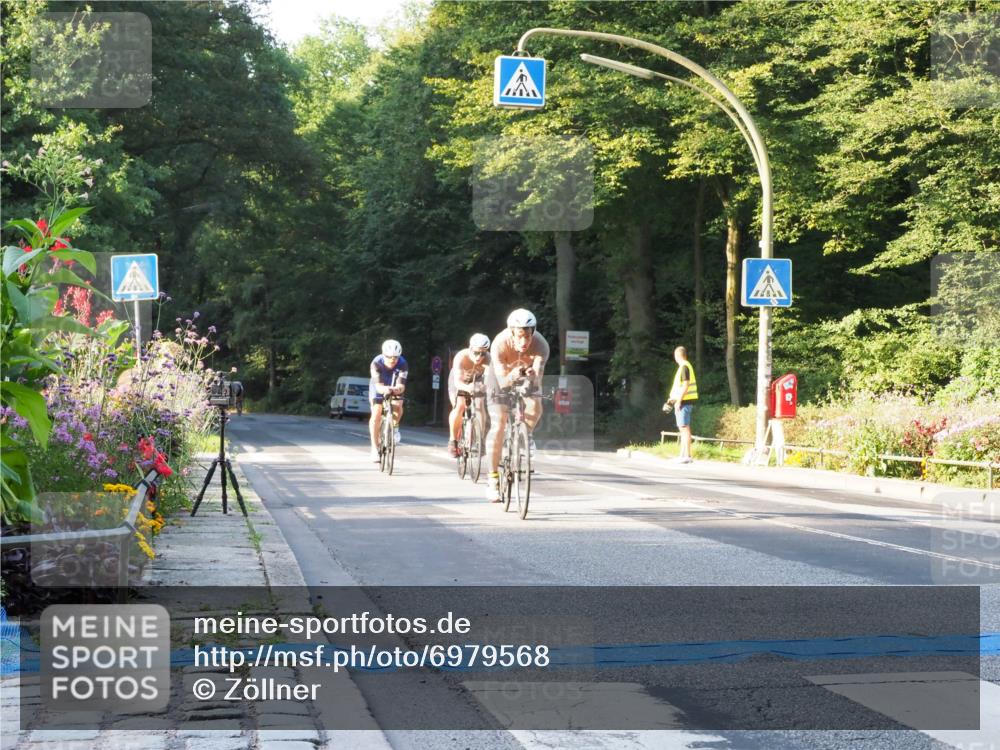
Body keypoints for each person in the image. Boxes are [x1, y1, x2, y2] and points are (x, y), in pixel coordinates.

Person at [484, 309, 550, 502]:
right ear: (512, 332)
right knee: (499, 423)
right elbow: (503, 382)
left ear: (533, 332)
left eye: (528, 336)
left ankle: (526, 435)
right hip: (500, 379)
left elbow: (537, 378)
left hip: (524, 377)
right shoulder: (499, 344)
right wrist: (514, 375)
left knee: (536, 403)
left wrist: (530, 379)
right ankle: (493, 479)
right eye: (520, 336)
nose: (524, 342)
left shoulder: (541, 345)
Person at [447, 333, 491, 458]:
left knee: (480, 403)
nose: (479, 357)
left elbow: (490, 380)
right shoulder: (461, 357)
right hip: (459, 381)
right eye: (476, 352)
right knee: (460, 406)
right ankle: (453, 440)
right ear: (470, 348)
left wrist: (487, 388)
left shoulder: (489, 359)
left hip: (476, 380)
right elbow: (457, 382)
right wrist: (467, 388)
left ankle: (480, 440)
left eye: (483, 353)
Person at [369, 339, 408, 462]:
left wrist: (397, 389)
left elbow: (401, 386)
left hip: (393, 382)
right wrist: (385, 389)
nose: (393, 360)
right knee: (376, 413)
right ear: (383, 355)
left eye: (396, 358)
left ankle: (395, 428)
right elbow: (379, 387)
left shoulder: (403, 363)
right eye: (389, 357)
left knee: (398, 404)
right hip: (379, 385)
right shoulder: (376, 363)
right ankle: (374, 449)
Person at [663, 345, 698, 463]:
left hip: (684, 402)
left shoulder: (684, 367)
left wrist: (678, 401)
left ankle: (687, 456)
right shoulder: (684, 367)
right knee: (682, 428)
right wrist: (671, 401)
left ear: (677, 356)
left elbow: (685, 385)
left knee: (684, 428)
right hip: (682, 401)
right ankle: (682, 455)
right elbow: (678, 388)